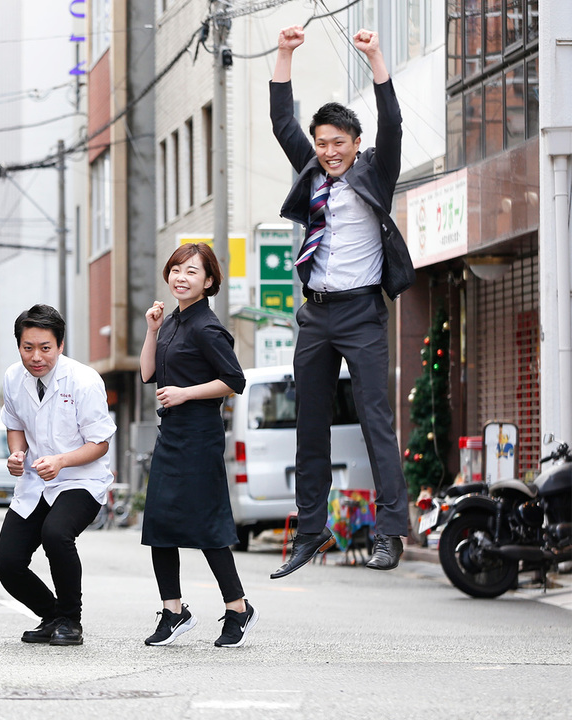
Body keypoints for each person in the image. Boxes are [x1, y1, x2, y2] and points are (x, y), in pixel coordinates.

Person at [269, 27, 414, 579]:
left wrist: (376, 56)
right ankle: (311, 530)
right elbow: (284, 122)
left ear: (355, 143)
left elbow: (393, 124)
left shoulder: (376, 171)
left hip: (362, 313)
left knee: (376, 419)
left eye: (338, 143)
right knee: (310, 420)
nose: (329, 152)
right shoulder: (312, 173)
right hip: (317, 312)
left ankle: (390, 530)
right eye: (322, 143)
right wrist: (283, 54)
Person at [139, 243, 255, 648]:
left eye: (191, 271)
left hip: (200, 437)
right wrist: (152, 329)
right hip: (170, 435)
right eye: (175, 269)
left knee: (207, 526)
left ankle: (238, 608)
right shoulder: (170, 321)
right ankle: (173, 611)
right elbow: (147, 372)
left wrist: (187, 393)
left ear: (208, 282)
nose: (180, 277)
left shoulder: (207, 326)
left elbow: (235, 380)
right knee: (158, 524)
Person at [0, 304, 116, 647]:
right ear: (18, 345)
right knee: (7, 562)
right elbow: (14, 424)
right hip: (36, 481)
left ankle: (71, 620)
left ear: (60, 345)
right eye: (27, 347)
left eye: (45, 348)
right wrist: (17, 454)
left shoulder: (83, 380)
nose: (36, 357)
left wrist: (62, 462)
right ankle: (53, 616)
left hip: (81, 479)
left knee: (56, 533)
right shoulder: (12, 377)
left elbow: (100, 444)